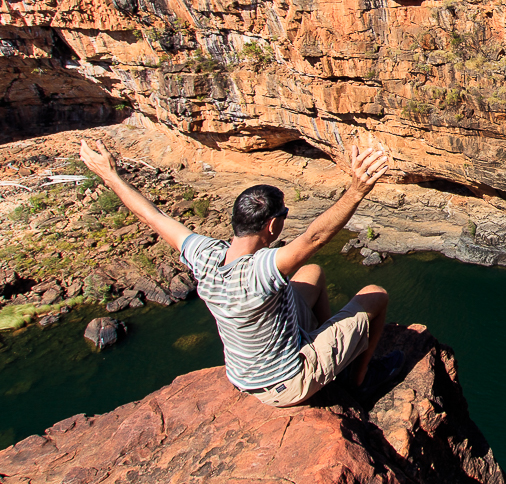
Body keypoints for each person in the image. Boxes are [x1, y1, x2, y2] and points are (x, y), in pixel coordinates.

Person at [79, 138, 397, 407]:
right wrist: (356, 190)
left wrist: (110, 174)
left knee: (312, 273)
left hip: (245, 377)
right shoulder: (261, 270)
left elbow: (152, 216)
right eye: (283, 216)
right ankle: (359, 383)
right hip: (287, 382)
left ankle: (325, 342)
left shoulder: (204, 255)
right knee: (375, 296)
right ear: (272, 226)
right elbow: (314, 237)